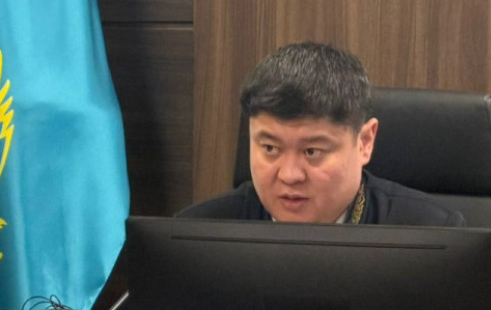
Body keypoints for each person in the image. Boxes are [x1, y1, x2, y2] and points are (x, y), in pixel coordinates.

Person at [180, 42, 465, 226]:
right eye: (270, 149)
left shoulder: (433, 233)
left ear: (364, 142)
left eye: (312, 152)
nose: (290, 175)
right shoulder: (198, 233)